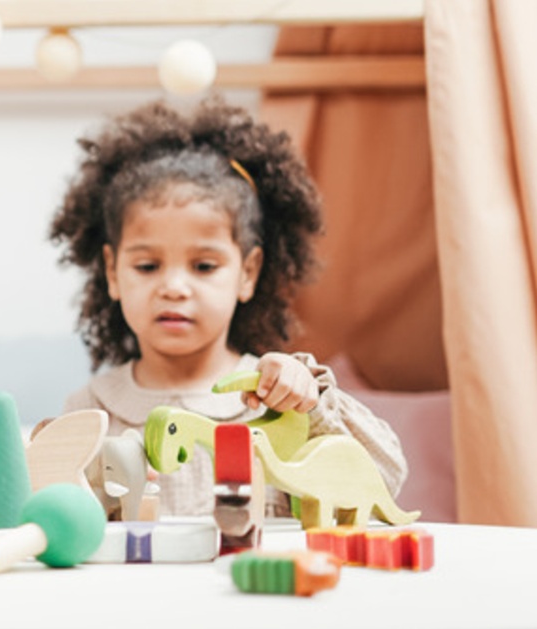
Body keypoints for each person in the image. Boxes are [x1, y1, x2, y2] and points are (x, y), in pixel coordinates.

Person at [49, 97, 406, 517]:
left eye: (203, 266)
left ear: (248, 273)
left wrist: (314, 405)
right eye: (147, 266)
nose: (174, 287)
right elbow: (60, 517)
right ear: (112, 271)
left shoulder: (279, 394)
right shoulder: (91, 409)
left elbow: (387, 478)